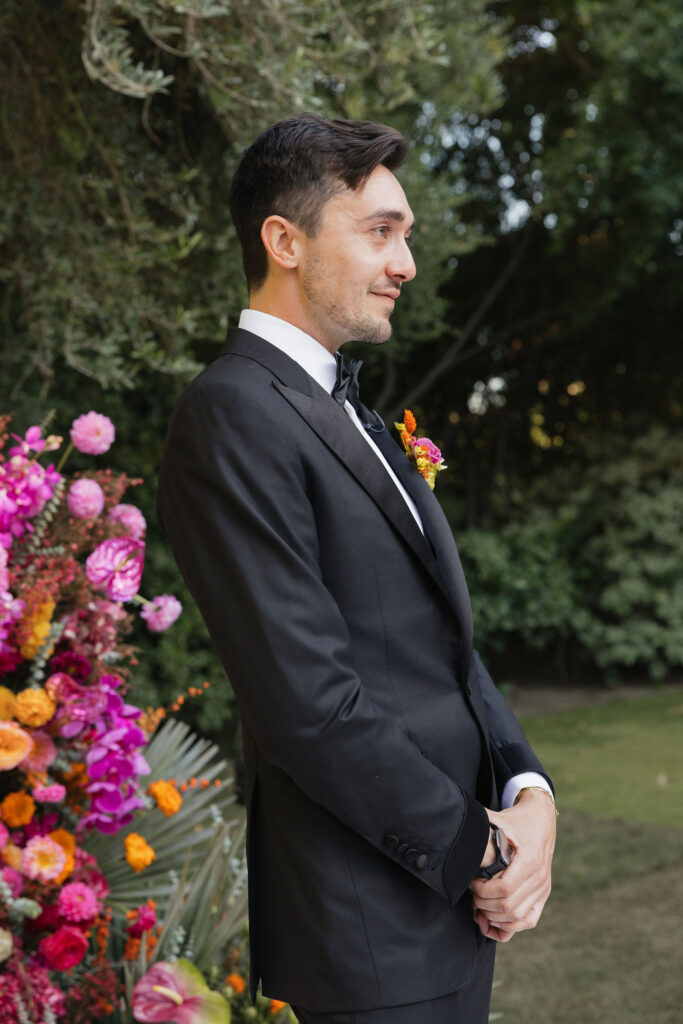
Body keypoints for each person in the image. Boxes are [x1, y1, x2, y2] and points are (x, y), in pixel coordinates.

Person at [157, 113, 556, 1024]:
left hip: (446, 919)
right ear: (284, 241)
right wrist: (480, 854)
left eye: (404, 234)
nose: (405, 264)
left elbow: (441, 649)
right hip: (363, 936)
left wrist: (528, 793)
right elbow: (308, 704)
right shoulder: (232, 416)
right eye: (380, 232)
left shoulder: (354, 414)